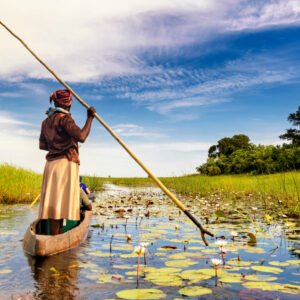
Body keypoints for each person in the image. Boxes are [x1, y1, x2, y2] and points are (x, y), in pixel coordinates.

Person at [38, 89, 96, 235]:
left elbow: (43, 145)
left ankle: (54, 235)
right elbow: (81, 136)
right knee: (61, 203)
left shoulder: (46, 122)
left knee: (54, 203)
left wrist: (58, 145)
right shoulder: (65, 118)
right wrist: (90, 118)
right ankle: (56, 238)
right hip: (65, 163)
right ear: (68, 104)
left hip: (51, 165)